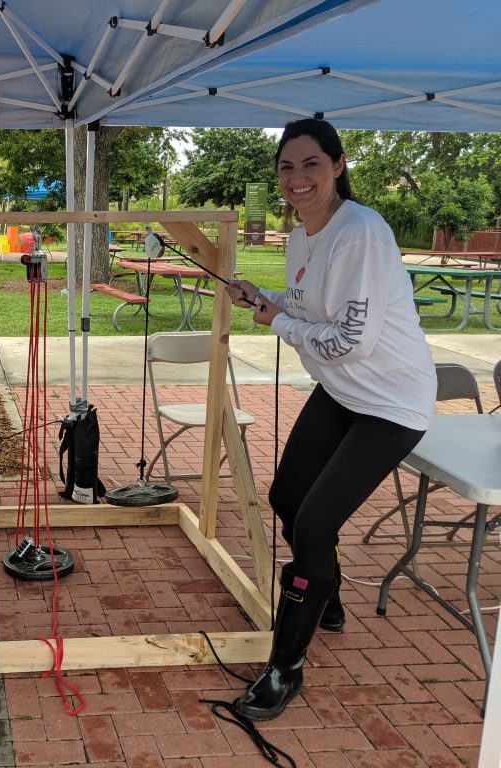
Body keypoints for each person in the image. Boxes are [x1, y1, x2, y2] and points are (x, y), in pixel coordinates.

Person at [225, 119, 436, 721]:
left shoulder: (361, 233)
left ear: (338, 166)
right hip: (342, 393)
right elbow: (312, 306)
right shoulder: (301, 238)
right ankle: (327, 595)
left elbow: (349, 339)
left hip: (391, 403)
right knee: (288, 495)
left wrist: (278, 323)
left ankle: (284, 667)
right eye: (287, 167)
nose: (297, 179)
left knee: (314, 524)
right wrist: (267, 300)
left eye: (310, 165)